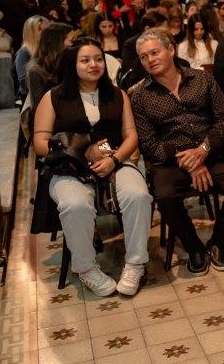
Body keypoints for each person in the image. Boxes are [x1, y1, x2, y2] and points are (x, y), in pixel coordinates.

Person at [33, 39, 152, 297]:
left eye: (98, 59)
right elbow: (40, 143)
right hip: (70, 167)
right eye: (85, 60)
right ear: (72, 64)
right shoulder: (54, 97)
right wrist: (80, 150)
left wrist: (114, 159)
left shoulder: (117, 94)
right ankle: (86, 268)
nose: (94, 65)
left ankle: (135, 263)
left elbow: (130, 135)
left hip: (116, 162)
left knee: (138, 195)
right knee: (75, 205)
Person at [130, 29, 224, 275]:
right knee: (164, 196)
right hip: (172, 161)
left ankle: (218, 242)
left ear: (171, 50)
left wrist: (203, 151)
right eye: (143, 57)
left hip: (211, 151)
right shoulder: (141, 97)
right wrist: (191, 161)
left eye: (154, 52)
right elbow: (149, 145)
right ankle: (194, 247)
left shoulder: (202, 79)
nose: (150, 60)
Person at [26, 23, 74, 112]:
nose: (74, 45)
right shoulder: (36, 70)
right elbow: (38, 106)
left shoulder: (70, 61)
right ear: (58, 42)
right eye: (71, 41)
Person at [15, 15, 47, 100]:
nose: (44, 32)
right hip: (30, 97)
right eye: (39, 29)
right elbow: (23, 81)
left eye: (45, 29)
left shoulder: (45, 50)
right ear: (31, 32)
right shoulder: (24, 52)